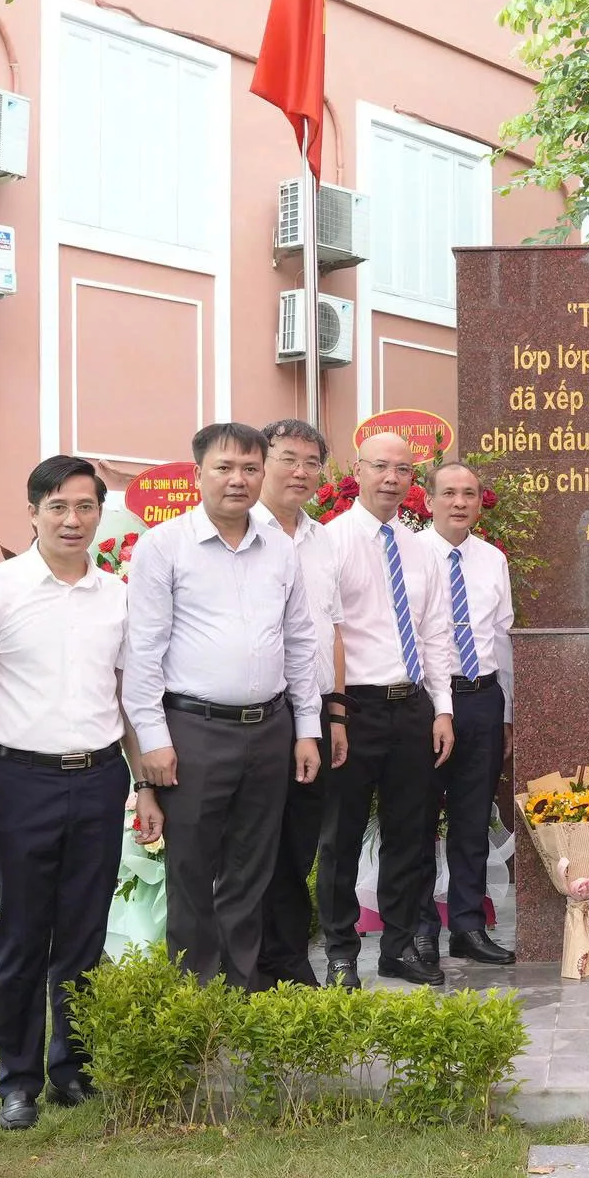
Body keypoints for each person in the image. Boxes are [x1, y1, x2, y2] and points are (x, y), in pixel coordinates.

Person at [0, 456, 135, 1130]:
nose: (73, 519)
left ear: (99, 513)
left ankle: (73, 1069)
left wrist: (142, 779)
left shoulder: (117, 594)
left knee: (86, 933)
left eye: (85, 507)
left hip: (98, 776)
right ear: (33, 511)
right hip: (19, 779)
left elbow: (126, 697)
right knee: (23, 933)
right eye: (58, 506)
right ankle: (17, 1079)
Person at [121, 423, 321, 991]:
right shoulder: (164, 547)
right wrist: (153, 741)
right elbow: (144, 652)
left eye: (249, 469)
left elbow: (301, 642)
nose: (238, 480)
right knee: (191, 869)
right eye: (224, 468)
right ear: (198, 474)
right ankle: (196, 995)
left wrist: (306, 730)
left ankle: (242, 988)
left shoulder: (278, 547)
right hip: (194, 730)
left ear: (263, 474)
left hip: (270, 727)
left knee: (251, 869)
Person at [321, 430, 456, 986]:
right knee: (342, 835)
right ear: (358, 470)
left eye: (403, 470)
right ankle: (340, 952)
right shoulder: (331, 541)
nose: (392, 478)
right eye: (381, 466)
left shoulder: (422, 546)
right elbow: (321, 632)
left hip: (412, 707)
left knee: (412, 834)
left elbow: (435, 632)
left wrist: (442, 709)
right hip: (354, 709)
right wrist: (332, 714)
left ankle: (398, 947)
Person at [417, 458, 518, 968]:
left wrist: (507, 713)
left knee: (472, 818)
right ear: (429, 499)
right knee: (417, 819)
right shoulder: (409, 556)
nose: (460, 503)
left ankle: (467, 926)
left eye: (470, 494)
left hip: (481, 699)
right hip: (426, 701)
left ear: (480, 503)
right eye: (450, 493)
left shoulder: (492, 560)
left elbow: (502, 637)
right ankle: (418, 928)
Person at [255, 418, 344, 988]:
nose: (301, 471)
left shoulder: (323, 541)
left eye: (312, 462)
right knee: (253, 843)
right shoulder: (244, 533)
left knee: (297, 844)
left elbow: (331, 629)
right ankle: (250, 965)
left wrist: (334, 713)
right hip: (256, 711)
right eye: (288, 458)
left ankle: (287, 962)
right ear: (261, 462)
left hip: (310, 712)